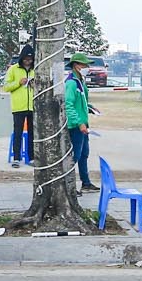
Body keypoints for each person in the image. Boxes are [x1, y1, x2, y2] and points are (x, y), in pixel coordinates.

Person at [65, 53, 100, 191]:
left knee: (84, 154)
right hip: (76, 126)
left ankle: (85, 183)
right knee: (75, 156)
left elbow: (81, 101)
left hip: (84, 124)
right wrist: (79, 123)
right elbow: (68, 105)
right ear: (76, 65)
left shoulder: (80, 81)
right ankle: (69, 186)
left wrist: (89, 107)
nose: (87, 67)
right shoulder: (71, 83)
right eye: (84, 65)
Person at [5, 43, 35, 166]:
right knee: (18, 132)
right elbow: (6, 87)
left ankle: (32, 157)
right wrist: (18, 83)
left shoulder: (36, 69)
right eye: (25, 59)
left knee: (33, 133)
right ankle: (16, 158)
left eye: (30, 59)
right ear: (21, 58)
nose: (28, 62)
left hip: (33, 106)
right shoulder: (13, 69)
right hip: (18, 107)